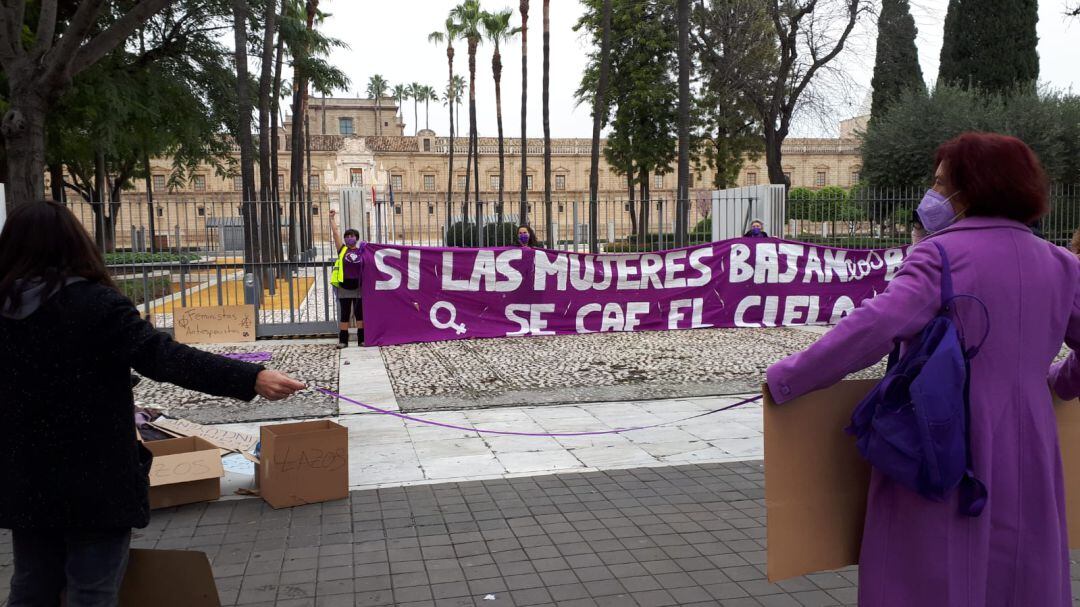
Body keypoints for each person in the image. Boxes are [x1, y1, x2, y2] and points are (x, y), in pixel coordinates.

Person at [767, 132, 1080, 606]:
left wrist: (788, 376)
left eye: (941, 182)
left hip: (943, 432)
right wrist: (1059, 382)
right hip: (1032, 437)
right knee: (1019, 563)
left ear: (971, 187)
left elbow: (875, 326)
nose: (933, 194)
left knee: (930, 564)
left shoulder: (939, 255)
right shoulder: (1061, 264)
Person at [0, 200, 305, 607]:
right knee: (92, 590)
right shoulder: (95, 305)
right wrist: (251, 376)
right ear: (76, 244)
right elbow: (166, 358)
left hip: (27, 477)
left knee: (31, 586)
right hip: (94, 478)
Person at [329, 208, 364, 348]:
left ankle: (362, 339)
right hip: (344, 286)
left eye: (352, 236)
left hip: (359, 286)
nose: (349, 238)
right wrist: (332, 219)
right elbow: (335, 233)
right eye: (347, 236)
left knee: (359, 314)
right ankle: (343, 341)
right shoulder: (342, 249)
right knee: (345, 314)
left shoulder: (363, 250)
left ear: (356, 238)